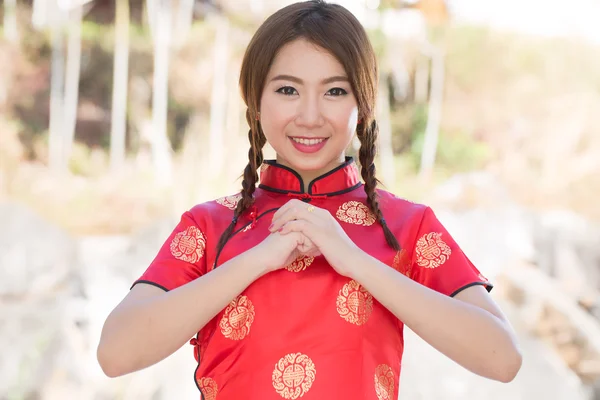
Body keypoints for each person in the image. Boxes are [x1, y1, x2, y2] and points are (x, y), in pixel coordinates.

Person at [97, 1, 522, 399]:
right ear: (256, 103)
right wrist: (258, 259)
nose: (310, 115)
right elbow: (116, 354)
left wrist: (352, 259)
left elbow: (502, 358)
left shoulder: (406, 225)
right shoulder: (210, 226)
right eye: (287, 90)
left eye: (335, 92)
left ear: (363, 104)